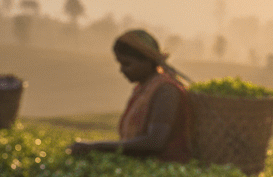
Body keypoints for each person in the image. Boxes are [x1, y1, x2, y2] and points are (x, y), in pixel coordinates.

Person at [69, 30, 192, 161]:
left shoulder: (166, 91)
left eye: (127, 64)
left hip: (165, 168)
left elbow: (155, 142)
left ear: (147, 61)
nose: (121, 70)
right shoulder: (144, 89)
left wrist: (95, 146)